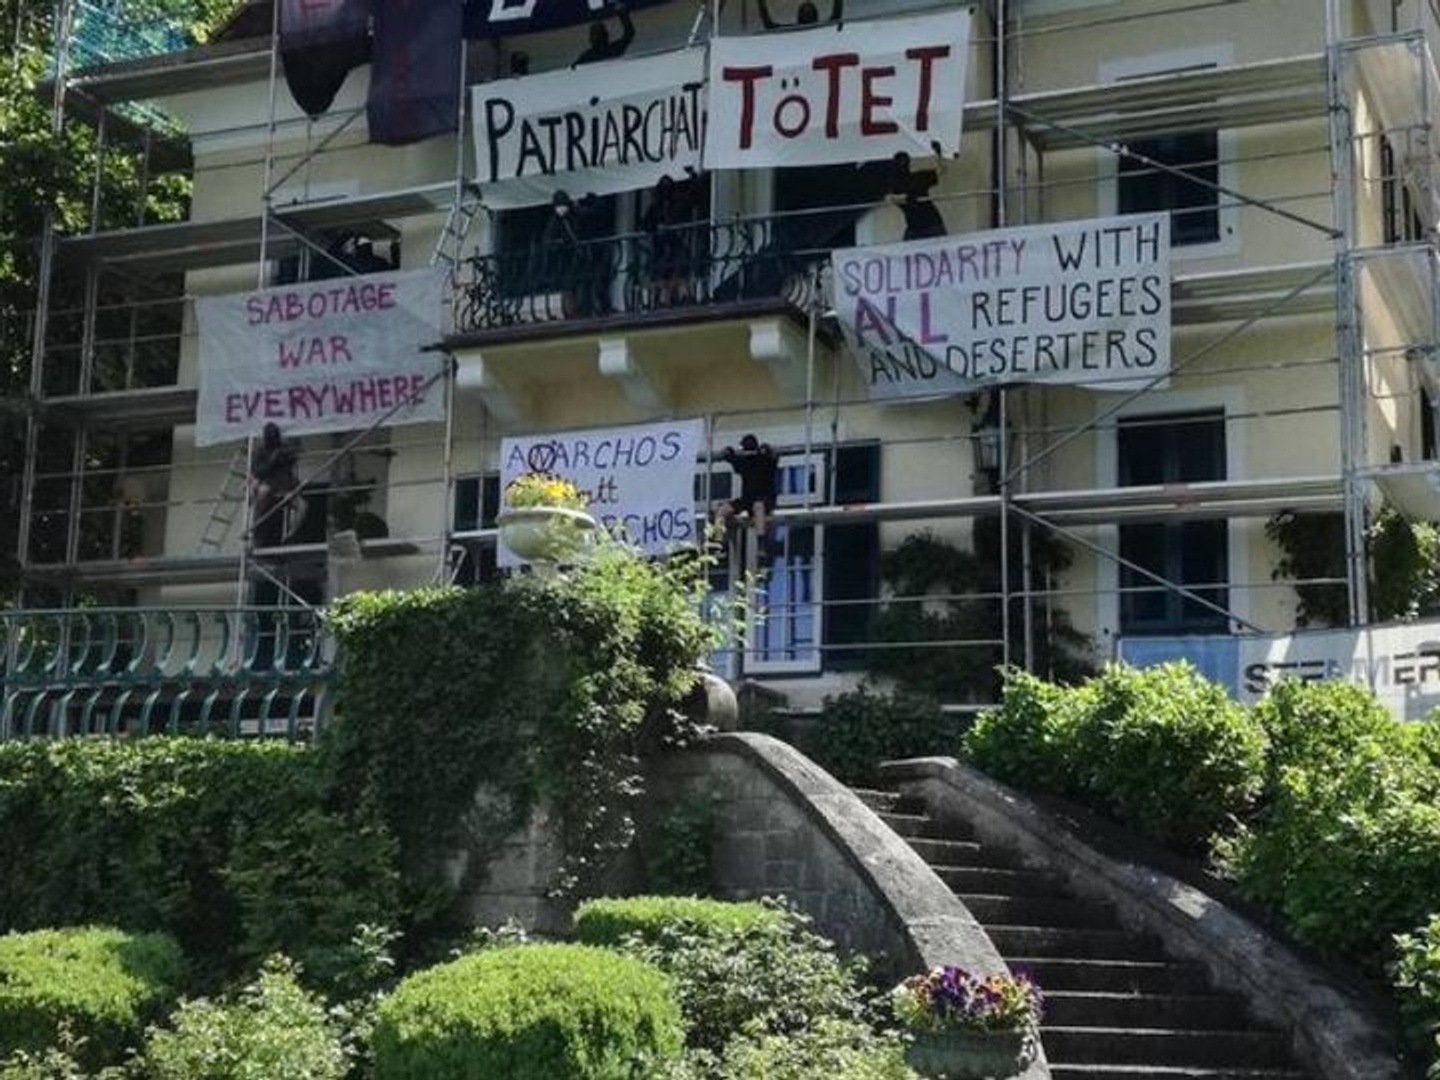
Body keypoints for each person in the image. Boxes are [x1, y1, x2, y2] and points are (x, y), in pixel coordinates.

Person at [716, 434, 780, 558]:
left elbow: (775, 455)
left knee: (758, 507)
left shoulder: (764, 460)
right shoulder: (746, 460)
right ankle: (720, 543)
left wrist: (767, 449)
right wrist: (729, 452)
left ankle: (761, 544)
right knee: (723, 510)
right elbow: (730, 457)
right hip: (747, 499)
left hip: (763, 499)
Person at [250, 422, 299, 549]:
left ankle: (291, 533)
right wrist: (272, 460)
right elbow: (257, 471)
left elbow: (293, 459)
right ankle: (256, 529)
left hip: (285, 483)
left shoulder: (283, 447)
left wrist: (286, 456)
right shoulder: (260, 451)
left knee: (302, 506)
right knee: (262, 493)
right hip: (269, 482)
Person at [886, 150, 947, 241]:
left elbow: (890, 198)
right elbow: (941, 170)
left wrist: (905, 197)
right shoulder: (918, 177)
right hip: (922, 225)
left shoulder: (899, 183)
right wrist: (938, 155)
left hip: (925, 225)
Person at [758, 0, 841, 29]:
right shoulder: (793, 30)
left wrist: (761, 4)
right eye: (805, 12)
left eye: (809, 12)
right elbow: (769, 26)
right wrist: (761, 4)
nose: (807, 14)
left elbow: (835, 18)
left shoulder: (821, 28)